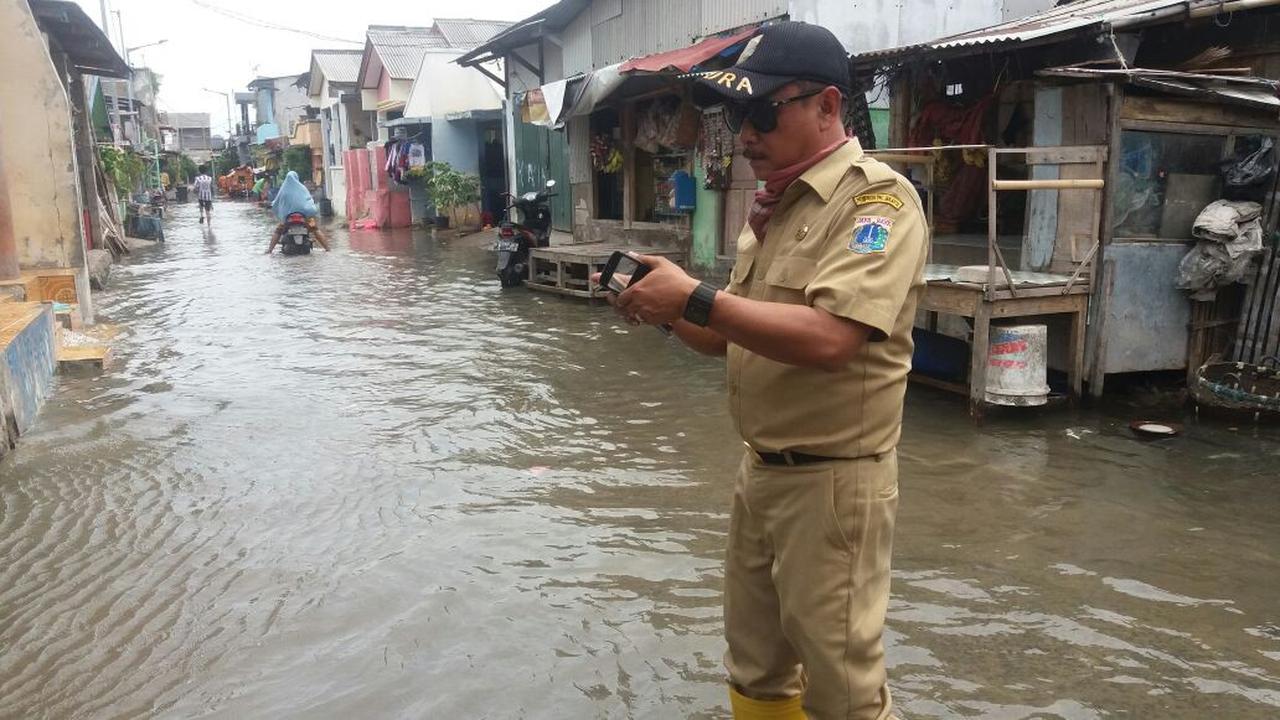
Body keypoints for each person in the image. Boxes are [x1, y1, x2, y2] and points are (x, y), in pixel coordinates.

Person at [594, 22, 927, 720]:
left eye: (763, 112)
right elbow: (729, 339)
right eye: (738, 115)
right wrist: (664, 309)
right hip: (763, 473)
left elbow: (834, 338)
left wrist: (696, 297)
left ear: (828, 106)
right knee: (755, 662)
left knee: (843, 685)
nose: (745, 133)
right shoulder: (775, 207)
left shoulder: (877, 203)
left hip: (835, 480)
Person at [266, 171, 330, 253]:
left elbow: (276, 203)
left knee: (278, 231)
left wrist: (272, 206)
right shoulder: (302, 188)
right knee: (315, 229)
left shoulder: (283, 189)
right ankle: (327, 248)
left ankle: (270, 250)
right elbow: (309, 201)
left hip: (288, 219)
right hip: (304, 218)